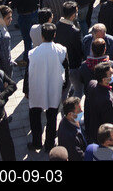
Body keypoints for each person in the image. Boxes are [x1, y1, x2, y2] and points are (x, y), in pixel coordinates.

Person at [25, 22, 68, 151]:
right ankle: (50, 144)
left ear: (41, 35)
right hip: (54, 89)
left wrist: (26, 90)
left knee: (35, 116)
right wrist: (64, 86)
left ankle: (36, 142)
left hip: (36, 89)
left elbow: (27, 74)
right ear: (54, 35)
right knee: (52, 117)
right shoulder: (61, 50)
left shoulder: (32, 53)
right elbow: (67, 69)